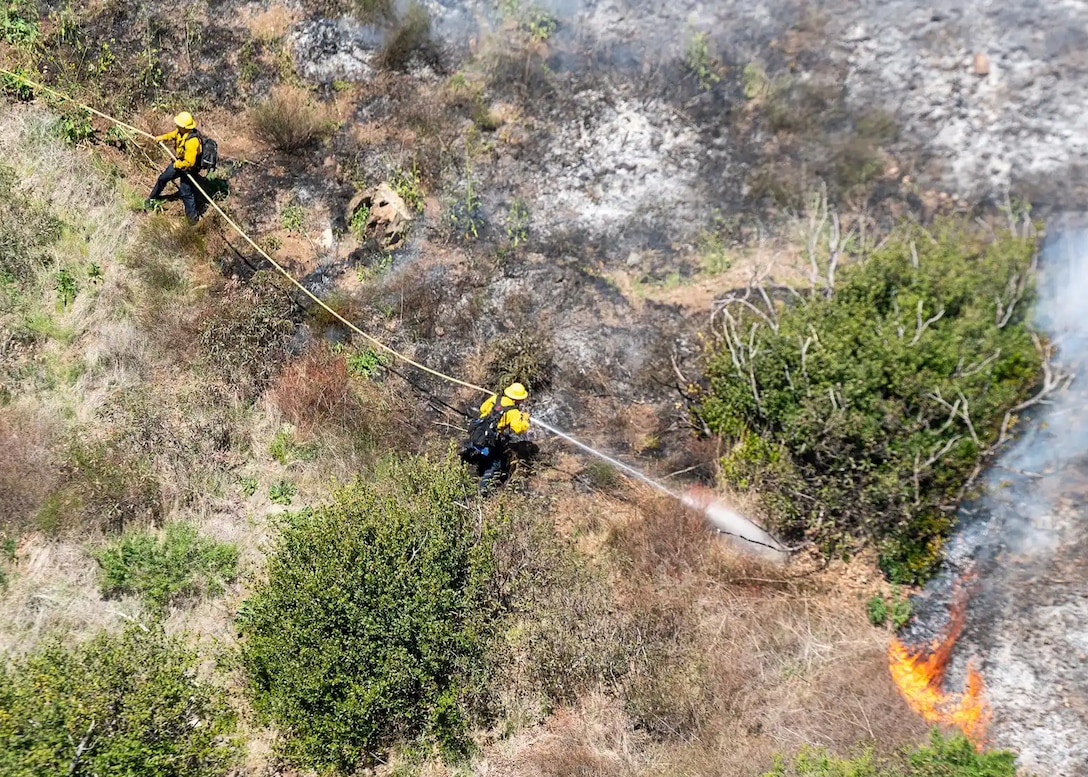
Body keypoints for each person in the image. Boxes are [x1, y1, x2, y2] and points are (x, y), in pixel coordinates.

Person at [460, 382, 531, 491]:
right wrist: (525, 419)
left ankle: (468, 449)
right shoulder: (513, 412)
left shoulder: (495, 398)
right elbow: (518, 429)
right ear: (517, 399)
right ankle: (484, 488)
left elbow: (483, 409)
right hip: (490, 438)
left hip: (479, 430)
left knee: (477, 444)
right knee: (495, 463)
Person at [146, 111, 203, 223]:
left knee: (186, 193)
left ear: (185, 127)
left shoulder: (192, 142)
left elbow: (189, 162)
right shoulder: (180, 132)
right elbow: (172, 135)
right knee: (163, 178)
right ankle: (152, 198)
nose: (177, 126)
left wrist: (178, 164)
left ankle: (193, 220)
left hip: (189, 169)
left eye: (179, 125)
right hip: (179, 162)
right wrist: (161, 138)